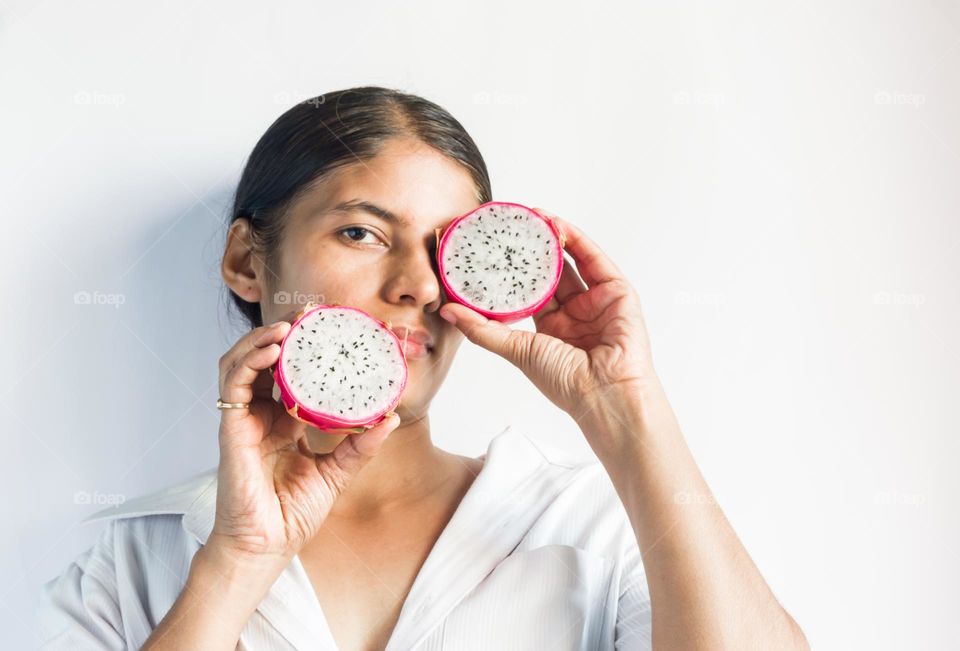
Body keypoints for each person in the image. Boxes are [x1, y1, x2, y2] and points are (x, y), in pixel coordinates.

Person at [38, 86, 809, 650]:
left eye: (450, 248)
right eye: (361, 233)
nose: (420, 283)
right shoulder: (137, 562)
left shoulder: (591, 529)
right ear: (246, 259)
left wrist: (629, 414)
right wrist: (237, 565)